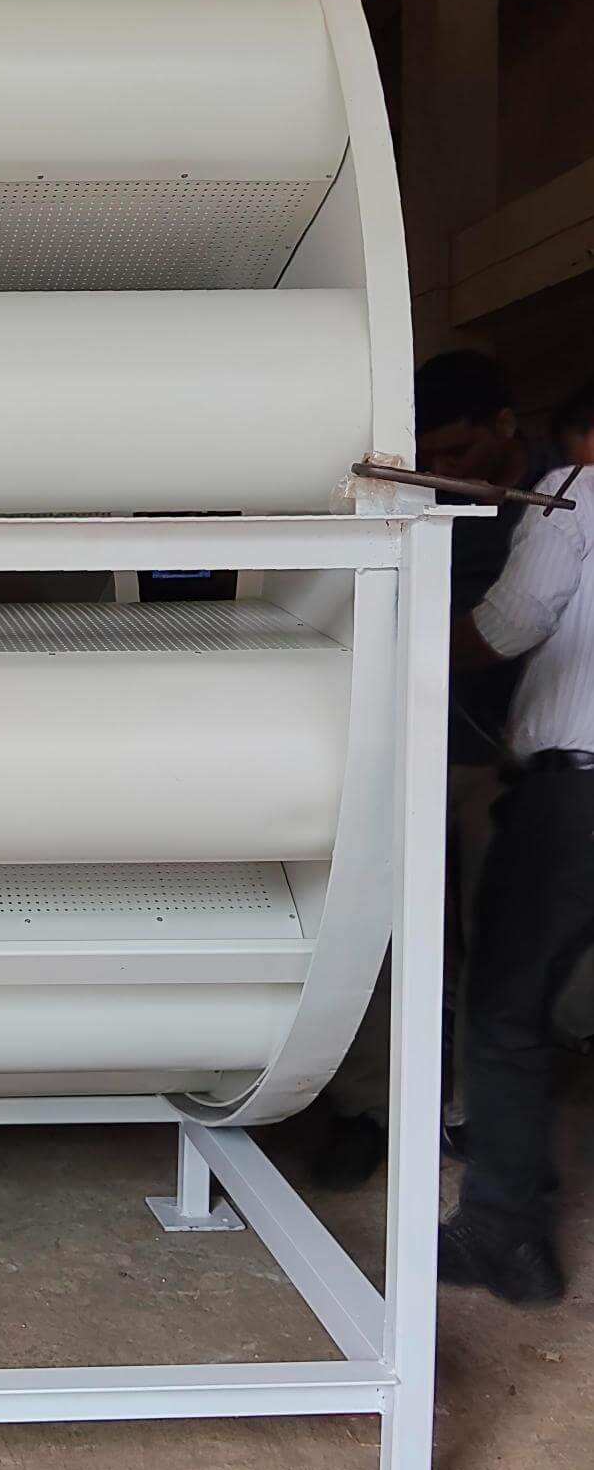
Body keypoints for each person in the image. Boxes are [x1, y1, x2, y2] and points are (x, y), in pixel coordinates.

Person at [314, 350, 536, 1185]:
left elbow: (519, 625)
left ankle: (469, 1114)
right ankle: (369, 1108)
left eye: (461, 452)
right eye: (431, 457)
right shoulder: (407, 494)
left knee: (496, 941)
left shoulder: (558, 501)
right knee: (375, 933)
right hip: (400, 749)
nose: (446, 473)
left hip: (501, 757)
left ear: (506, 427)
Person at [440, 380, 594, 1303]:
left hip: (576, 799)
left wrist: (407, 639)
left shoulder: (576, 490)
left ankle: (504, 1237)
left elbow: (513, 622)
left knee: (506, 1010)